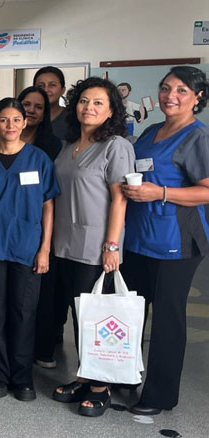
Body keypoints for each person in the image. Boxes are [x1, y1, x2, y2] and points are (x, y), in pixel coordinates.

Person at [120, 66, 209, 416]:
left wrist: (162, 192)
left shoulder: (197, 137)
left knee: (167, 318)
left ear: (197, 98)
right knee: (131, 314)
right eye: (166, 88)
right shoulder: (152, 131)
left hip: (177, 241)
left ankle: (159, 395)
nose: (170, 96)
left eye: (182, 90)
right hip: (139, 236)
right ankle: (124, 377)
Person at [0, 98, 59, 402]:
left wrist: (44, 249)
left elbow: (48, 207)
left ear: (25, 123)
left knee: (24, 312)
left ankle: (22, 376)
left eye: (17, 119)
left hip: (27, 247)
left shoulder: (39, 159)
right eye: (4, 120)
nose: (11, 126)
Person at [50, 77, 134, 417]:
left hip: (96, 245)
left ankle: (100, 386)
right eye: (84, 101)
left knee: (97, 318)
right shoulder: (69, 143)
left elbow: (120, 199)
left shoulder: (116, 146)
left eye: (98, 102)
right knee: (77, 315)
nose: (89, 108)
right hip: (64, 242)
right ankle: (86, 375)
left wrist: (112, 245)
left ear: (111, 110)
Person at [17, 85, 65, 369]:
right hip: (11, 226)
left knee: (43, 292)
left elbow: (51, 196)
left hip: (41, 227)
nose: (31, 110)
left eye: (38, 106)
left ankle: (43, 346)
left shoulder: (53, 146)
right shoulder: (1, 141)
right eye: (26, 104)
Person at [34, 66, 68, 140]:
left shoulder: (72, 119)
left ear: (62, 90)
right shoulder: (28, 118)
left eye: (52, 85)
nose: (46, 90)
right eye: (41, 86)